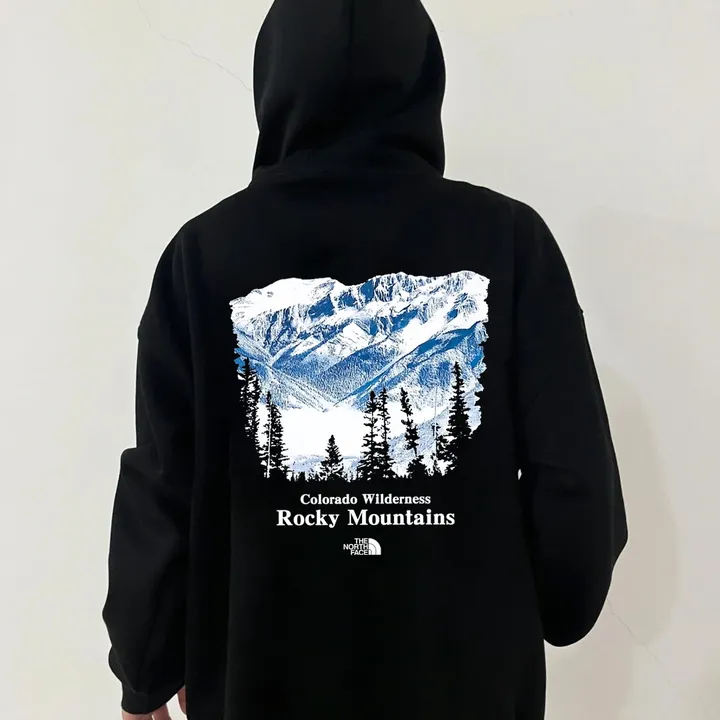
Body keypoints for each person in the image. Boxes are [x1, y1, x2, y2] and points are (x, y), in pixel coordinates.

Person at [102, 1, 628, 718]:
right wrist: (548, 602)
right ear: (423, 76)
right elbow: (575, 480)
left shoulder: (203, 255)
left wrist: (144, 672)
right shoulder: (511, 241)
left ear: (275, 80)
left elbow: (162, 488)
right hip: (466, 686)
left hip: (259, 681)